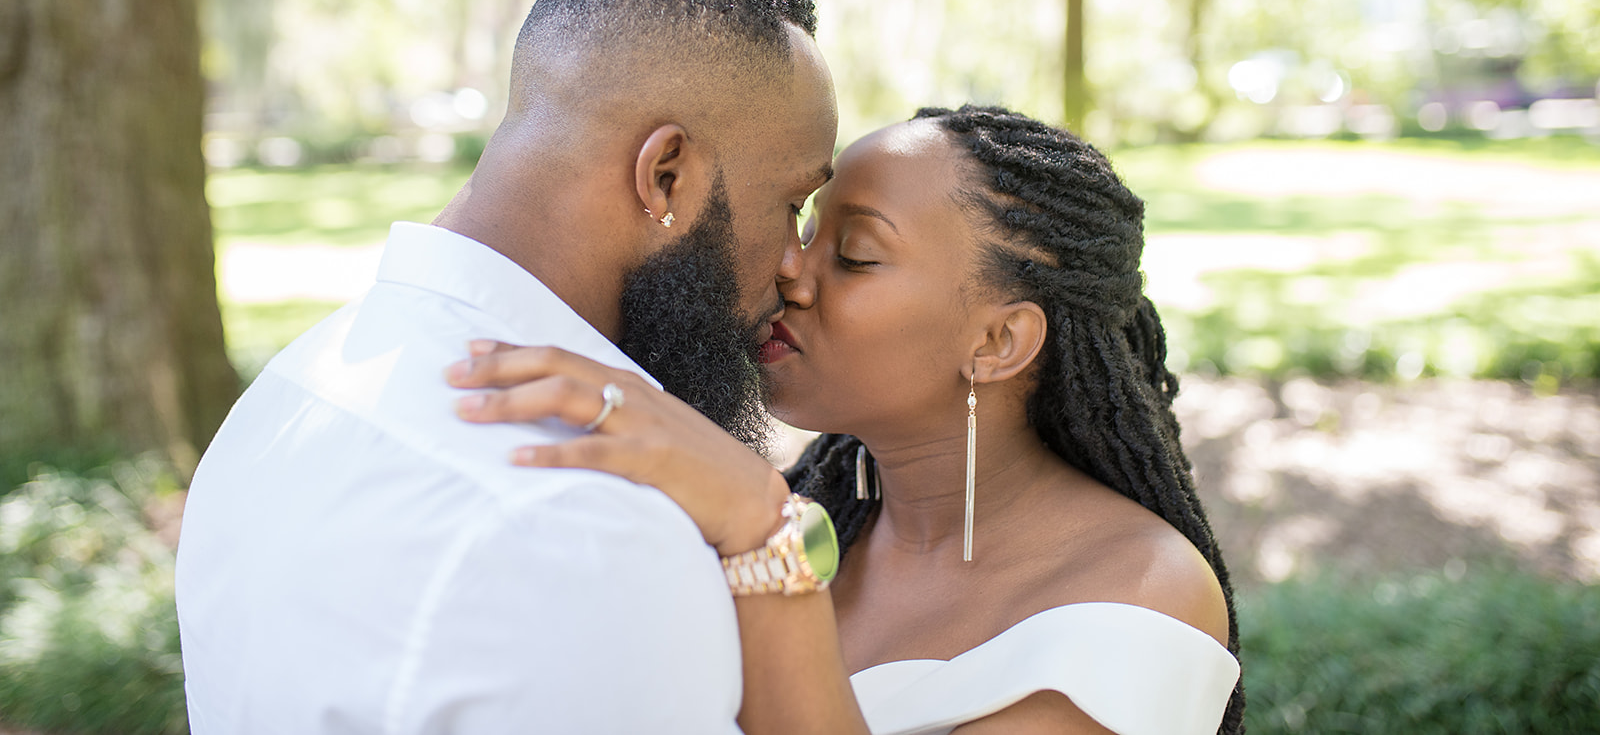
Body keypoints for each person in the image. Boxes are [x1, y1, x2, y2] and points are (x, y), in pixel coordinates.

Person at [174, 0, 838, 733]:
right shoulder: (594, 534)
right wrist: (767, 532)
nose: (796, 267)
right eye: (791, 204)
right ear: (664, 174)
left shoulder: (290, 392)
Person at [449, 105, 1245, 735]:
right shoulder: (831, 518)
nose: (791, 268)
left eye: (855, 254)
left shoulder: (1141, 598)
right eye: (804, 225)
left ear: (999, 341)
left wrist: (763, 540)